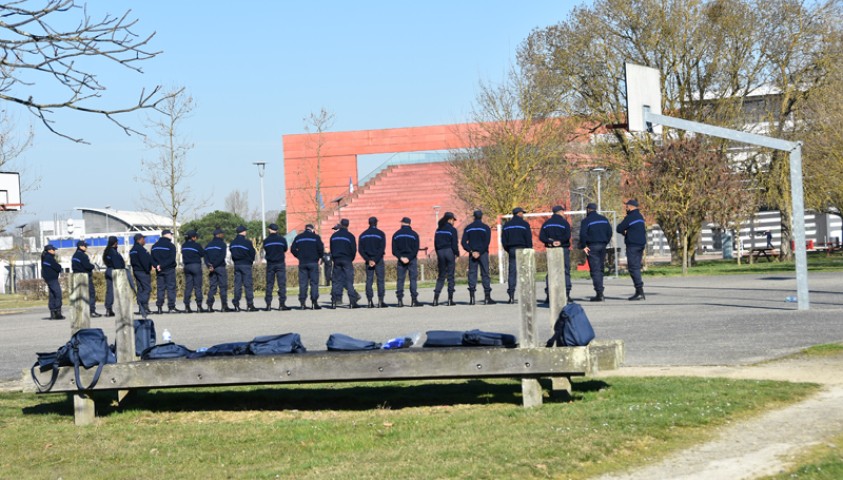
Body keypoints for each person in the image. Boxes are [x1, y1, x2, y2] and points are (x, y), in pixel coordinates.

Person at [578, 203, 613, 302]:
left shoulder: (586, 220)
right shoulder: (604, 219)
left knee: (595, 270)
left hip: (592, 247)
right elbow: (610, 232)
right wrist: (605, 242)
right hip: (602, 245)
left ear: (588, 210)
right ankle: (600, 291)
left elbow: (583, 234)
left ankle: (599, 293)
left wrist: (583, 246)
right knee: (600, 268)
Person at [461, 209, 495, 305]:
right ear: (481, 216)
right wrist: (480, 252)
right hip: (483, 253)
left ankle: (472, 298)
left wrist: (472, 251)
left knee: (472, 274)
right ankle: (487, 298)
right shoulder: (486, 228)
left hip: (472, 254)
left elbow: (463, 242)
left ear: (474, 217)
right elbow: (486, 242)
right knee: (485, 274)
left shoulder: (468, 228)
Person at [539, 205, 572, 303]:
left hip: (551, 249)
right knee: (565, 271)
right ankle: (567, 294)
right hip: (563, 248)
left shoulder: (546, 224)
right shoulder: (565, 223)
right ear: (561, 212)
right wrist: (560, 242)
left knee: (551, 272)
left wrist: (551, 242)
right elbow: (567, 235)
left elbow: (541, 237)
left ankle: (549, 295)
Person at [501, 207, 533, 304]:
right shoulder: (525, 224)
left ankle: (511, 296)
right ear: (519, 213)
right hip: (523, 249)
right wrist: (529, 249)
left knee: (512, 273)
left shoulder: (506, 225)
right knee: (525, 273)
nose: (523, 215)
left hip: (512, 249)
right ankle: (526, 296)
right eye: (522, 213)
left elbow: (504, 240)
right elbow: (528, 239)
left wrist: (508, 249)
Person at [617, 199, 647, 301]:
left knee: (633, 268)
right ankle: (639, 291)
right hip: (641, 245)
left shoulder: (630, 217)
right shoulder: (640, 217)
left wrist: (625, 232)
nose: (625, 208)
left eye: (626, 206)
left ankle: (639, 291)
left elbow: (619, 228)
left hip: (633, 245)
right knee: (636, 267)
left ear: (630, 206)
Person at [329, 218, 361, 309]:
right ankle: (352, 302)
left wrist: (334, 258)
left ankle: (334, 302)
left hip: (336, 260)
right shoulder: (350, 236)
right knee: (349, 281)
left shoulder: (334, 236)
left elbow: (331, 248)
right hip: (347, 259)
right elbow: (353, 250)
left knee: (335, 281)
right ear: (348, 225)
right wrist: (350, 259)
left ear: (341, 225)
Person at [291, 224, 324, 310]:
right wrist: (319, 257)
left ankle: (302, 303)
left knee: (303, 284)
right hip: (313, 262)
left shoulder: (298, 237)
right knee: (314, 283)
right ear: (312, 229)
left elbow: (292, 249)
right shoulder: (316, 237)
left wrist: (299, 256)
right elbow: (321, 249)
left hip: (302, 263)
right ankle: (314, 302)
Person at [392, 217, 421, 307]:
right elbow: (416, 249)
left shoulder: (396, 234)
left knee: (400, 280)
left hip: (401, 260)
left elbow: (394, 250)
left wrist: (401, 257)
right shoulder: (414, 234)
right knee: (413, 279)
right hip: (411, 259)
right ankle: (414, 300)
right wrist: (409, 257)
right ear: (409, 223)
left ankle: (400, 300)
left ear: (402, 223)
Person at [358, 216, 387, 308]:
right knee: (380, 280)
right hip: (378, 260)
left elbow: (360, 250)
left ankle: (370, 301)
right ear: (376, 223)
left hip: (368, 261)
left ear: (369, 223)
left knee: (369, 280)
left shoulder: (362, 235)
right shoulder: (381, 234)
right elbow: (382, 249)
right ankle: (380, 301)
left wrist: (368, 260)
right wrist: (375, 260)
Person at [151, 229, 182, 313]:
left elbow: (152, 259)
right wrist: (162, 266)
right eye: (171, 234)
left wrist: (157, 266)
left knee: (160, 288)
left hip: (159, 270)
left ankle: (159, 307)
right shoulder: (171, 246)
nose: (172, 236)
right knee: (171, 288)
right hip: (169, 269)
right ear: (167, 235)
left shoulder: (155, 246)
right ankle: (171, 307)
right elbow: (171, 259)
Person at [433, 211, 459, 306]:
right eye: (453, 220)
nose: (454, 222)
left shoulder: (438, 229)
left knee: (441, 275)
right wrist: (457, 254)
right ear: (450, 220)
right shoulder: (452, 230)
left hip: (440, 252)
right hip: (449, 251)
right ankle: (450, 299)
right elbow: (454, 244)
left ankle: (436, 298)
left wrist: (438, 253)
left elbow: (435, 243)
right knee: (451, 276)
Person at [230, 225, 258, 312]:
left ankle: (236, 304)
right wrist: (250, 261)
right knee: (248, 285)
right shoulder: (247, 242)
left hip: (237, 265)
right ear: (243, 232)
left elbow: (232, 254)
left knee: (237, 285)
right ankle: (250, 305)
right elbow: (252, 253)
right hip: (246, 265)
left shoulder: (232, 243)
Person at [263, 223, 291, 311]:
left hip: (270, 264)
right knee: (281, 284)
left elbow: (266, 250)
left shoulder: (266, 241)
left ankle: (268, 305)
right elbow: (285, 249)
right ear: (277, 230)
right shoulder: (282, 240)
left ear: (269, 230)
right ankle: (282, 304)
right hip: (280, 263)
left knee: (269, 284)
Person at [71, 240, 102, 317]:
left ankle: (81, 312)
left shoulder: (74, 255)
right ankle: (92, 311)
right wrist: (93, 266)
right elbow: (87, 266)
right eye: (85, 246)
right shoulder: (83, 255)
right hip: (85, 276)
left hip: (77, 276)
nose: (86, 247)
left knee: (81, 295)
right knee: (91, 294)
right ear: (80, 246)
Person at [205, 227, 232, 312]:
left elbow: (205, 257)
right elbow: (221, 257)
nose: (223, 235)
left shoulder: (208, 245)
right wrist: (215, 265)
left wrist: (209, 266)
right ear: (219, 235)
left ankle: (209, 306)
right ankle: (224, 306)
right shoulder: (222, 244)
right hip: (220, 267)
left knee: (212, 287)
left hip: (211, 269)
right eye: (222, 234)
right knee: (223, 287)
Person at [181, 230, 206, 312]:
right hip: (196, 266)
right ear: (193, 237)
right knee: (197, 287)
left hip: (187, 266)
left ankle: (187, 306)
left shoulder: (183, 245)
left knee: (188, 287)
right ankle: (199, 306)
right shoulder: (196, 245)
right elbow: (203, 254)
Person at [130, 233, 153, 318]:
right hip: (143, 271)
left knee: (140, 289)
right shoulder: (141, 249)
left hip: (136, 271)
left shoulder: (132, 249)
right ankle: (143, 304)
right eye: (143, 239)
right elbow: (145, 261)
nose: (145, 240)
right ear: (139, 240)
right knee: (147, 288)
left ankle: (141, 308)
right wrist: (147, 269)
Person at [102, 236, 124, 317]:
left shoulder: (106, 251)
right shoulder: (113, 252)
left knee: (110, 291)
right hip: (115, 271)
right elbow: (117, 263)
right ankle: (122, 309)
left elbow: (105, 260)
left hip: (108, 270)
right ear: (115, 242)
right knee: (120, 291)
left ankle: (108, 309)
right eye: (117, 242)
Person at [41, 244, 65, 319]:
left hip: (49, 279)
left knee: (52, 295)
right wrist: (60, 267)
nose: (54, 251)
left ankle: (53, 313)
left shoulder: (45, 258)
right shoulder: (49, 258)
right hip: (52, 279)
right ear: (49, 250)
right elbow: (57, 267)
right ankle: (57, 312)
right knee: (58, 294)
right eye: (53, 250)